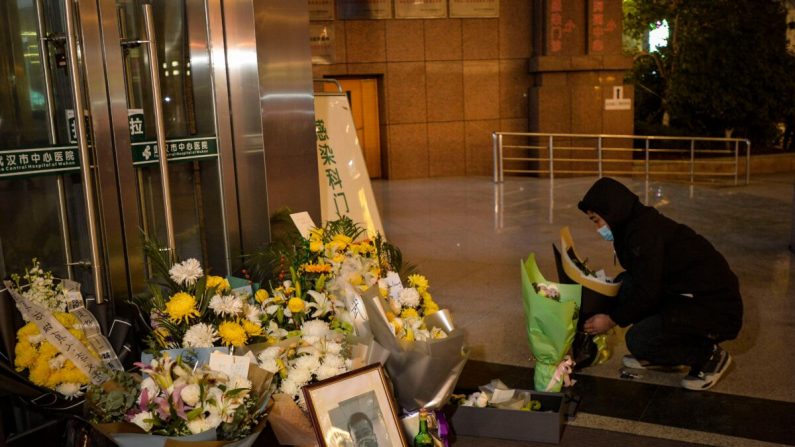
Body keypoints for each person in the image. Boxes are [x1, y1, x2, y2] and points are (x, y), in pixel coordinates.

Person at [578, 177, 743, 391]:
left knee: (639, 340)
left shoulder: (644, 233)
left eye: (596, 220)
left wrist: (611, 319)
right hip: (685, 294)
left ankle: (709, 357)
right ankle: (661, 357)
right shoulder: (633, 226)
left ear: (613, 211)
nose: (597, 228)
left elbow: (648, 293)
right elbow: (643, 280)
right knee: (623, 285)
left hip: (715, 309)